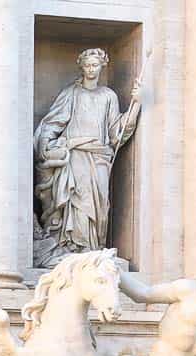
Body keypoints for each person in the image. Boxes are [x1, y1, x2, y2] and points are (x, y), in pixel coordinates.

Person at [33, 47, 142, 264]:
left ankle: (93, 248)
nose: (91, 70)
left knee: (99, 206)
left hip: (100, 156)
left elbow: (116, 132)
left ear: (102, 67)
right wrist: (47, 145)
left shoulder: (108, 96)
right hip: (75, 155)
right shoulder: (71, 94)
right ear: (81, 66)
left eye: (95, 65)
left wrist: (137, 103)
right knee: (75, 203)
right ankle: (71, 248)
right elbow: (52, 123)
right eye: (88, 65)